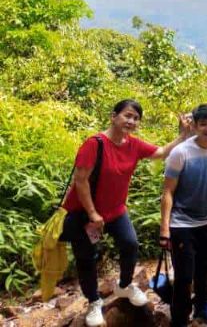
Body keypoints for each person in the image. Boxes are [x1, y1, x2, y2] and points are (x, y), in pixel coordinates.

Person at [60, 99, 190, 327]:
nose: (131, 121)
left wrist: (182, 136)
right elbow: (80, 181)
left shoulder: (133, 144)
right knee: (86, 258)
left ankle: (124, 285)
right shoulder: (95, 144)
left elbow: (159, 153)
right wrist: (92, 213)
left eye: (136, 118)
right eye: (127, 116)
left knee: (130, 244)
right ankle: (93, 302)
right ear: (114, 116)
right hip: (84, 212)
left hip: (116, 211)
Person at [160, 103, 207, 327]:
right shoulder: (181, 153)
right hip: (182, 223)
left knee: (205, 267)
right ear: (195, 126)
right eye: (203, 124)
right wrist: (165, 228)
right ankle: (180, 318)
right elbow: (168, 191)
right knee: (183, 275)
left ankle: (202, 306)